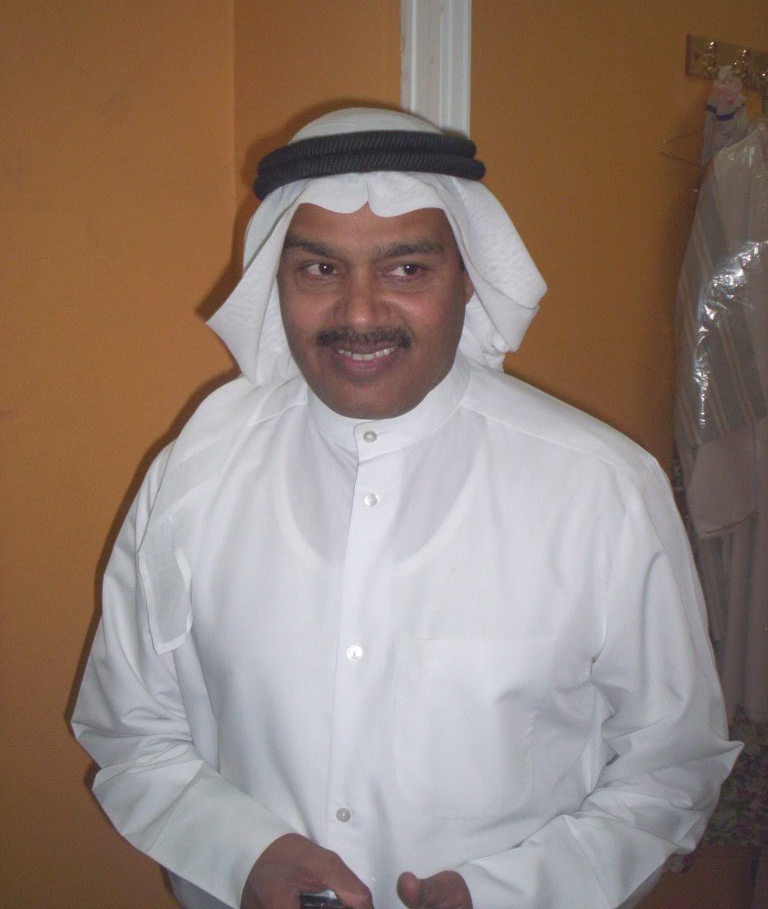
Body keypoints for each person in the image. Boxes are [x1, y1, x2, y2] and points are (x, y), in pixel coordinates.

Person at [72, 107, 739, 909]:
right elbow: (132, 733)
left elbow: (672, 769)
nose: (358, 314)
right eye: (320, 269)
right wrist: (241, 855)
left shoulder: (602, 490)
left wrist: (508, 895)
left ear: (470, 277)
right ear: (276, 281)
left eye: (407, 269)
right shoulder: (194, 474)